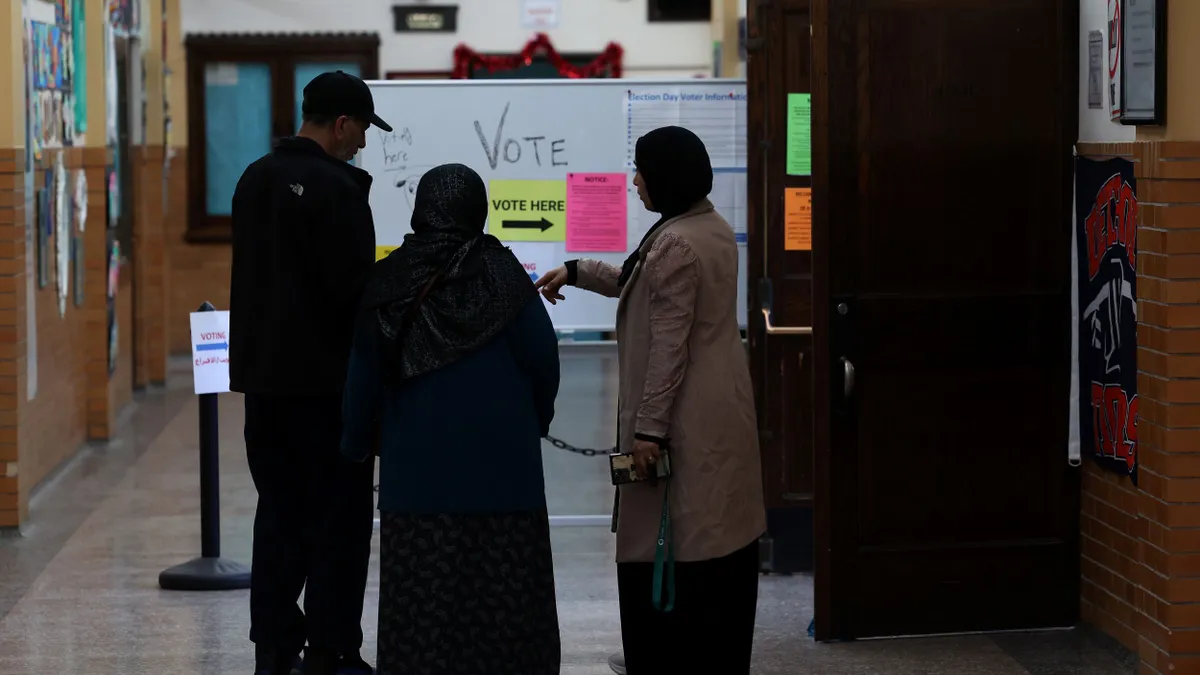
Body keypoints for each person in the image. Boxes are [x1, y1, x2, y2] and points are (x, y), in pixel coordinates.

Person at [536, 126, 766, 674]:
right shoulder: (702, 226)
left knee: (678, 549)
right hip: (717, 417)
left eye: (641, 171)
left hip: (683, 426)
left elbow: (668, 349)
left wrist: (648, 433)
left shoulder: (678, 242)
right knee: (718, 543)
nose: (635, 182)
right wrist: (577, 270)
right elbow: (638, 281)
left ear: (666, 175)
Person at [341, 163, 563, 675]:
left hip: (418, 480)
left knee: (425, 606)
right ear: (476, 209)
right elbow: (543, 360)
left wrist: (356, 440)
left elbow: (363, 374)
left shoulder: (390, 278)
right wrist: (534, 423)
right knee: (505, 604)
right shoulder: (506, 275)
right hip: (507, 476)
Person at [229, 70, 391, 675]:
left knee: (278, 514)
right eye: (362, 132)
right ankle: (332, 652)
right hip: (327, 390)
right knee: (339, 521)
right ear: (342, 123)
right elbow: (351, 295)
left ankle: (273, 647)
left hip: (264, 386)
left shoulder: (253, 179)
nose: (364, 145)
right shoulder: (339, 190)